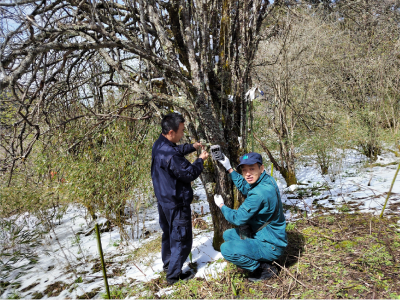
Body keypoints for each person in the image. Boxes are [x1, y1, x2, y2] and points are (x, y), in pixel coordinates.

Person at [151, 113, 209, 285]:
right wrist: (200, 160)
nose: (182, 133)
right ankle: (173, 276)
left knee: (169, 235)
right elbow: (189, 173)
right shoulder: (171, 155)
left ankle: (169, 265)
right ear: (171, 132)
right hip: (176, 202)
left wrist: (192, 146)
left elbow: (175, 149)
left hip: (164, 200)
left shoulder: (160, 145)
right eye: (181, 131)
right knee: (181, 240)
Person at [214, 152, 287, 282]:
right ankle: (264, 257)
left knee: (226, 249)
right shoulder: (267, 180)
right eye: (244, 170)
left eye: (252, 169)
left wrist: (221, 206)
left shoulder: (259, 193)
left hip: (271, 244)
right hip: (269, 236)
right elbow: (245, 187)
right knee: (228, 235)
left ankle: (264, 268)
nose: (248, 173)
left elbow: (237, 218)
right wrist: (229, 168)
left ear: (261, 168)